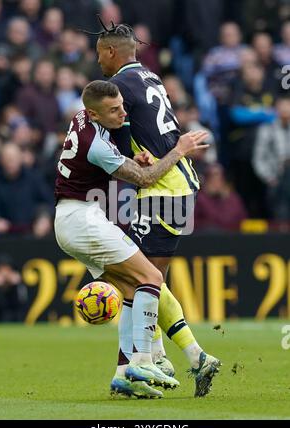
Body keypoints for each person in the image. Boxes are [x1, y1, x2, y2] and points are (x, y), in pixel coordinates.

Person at [86, 20, 221, 397]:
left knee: (140, 279)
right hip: (175, 184)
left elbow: (115, 131)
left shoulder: (118, 87)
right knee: (142, 279)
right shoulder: (149, 77)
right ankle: (164, 360)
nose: (98, 62)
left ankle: (152, 363)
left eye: (100, 54)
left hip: (164, 188)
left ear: (112, 52)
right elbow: (144, 130)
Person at [54, 80, 210, 398]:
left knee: (129, 288)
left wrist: (128, 160)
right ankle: (143, 359)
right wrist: (178, 151)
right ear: (95, 114)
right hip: (84, 220)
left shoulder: (81, 118)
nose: (123, 113)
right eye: (114, 110)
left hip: (71, 220)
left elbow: (105, 163)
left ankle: (123, 374)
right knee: (151, 277)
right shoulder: (94, 142)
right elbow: (148, 178)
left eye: (123, 105)